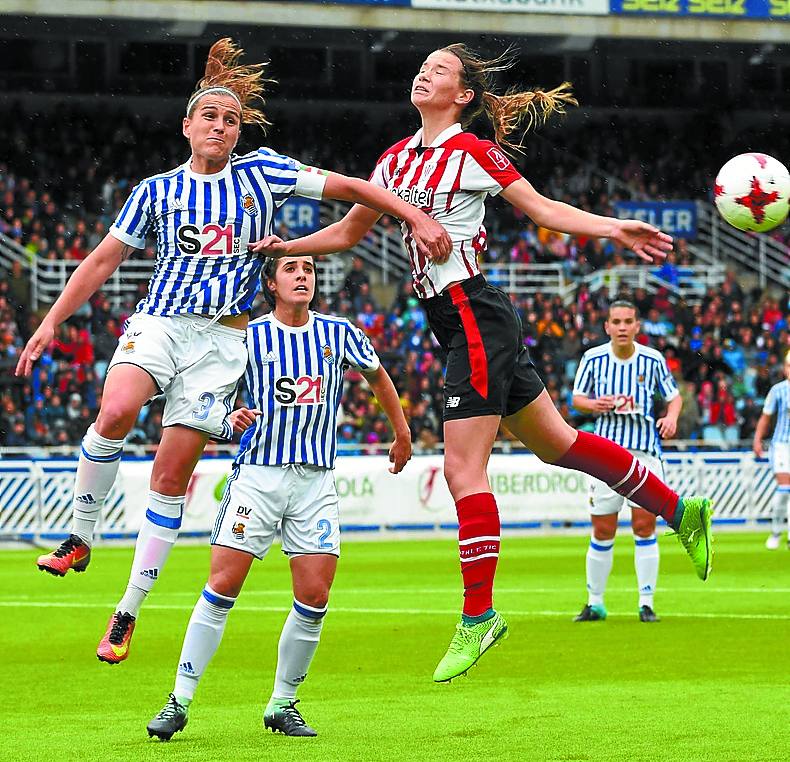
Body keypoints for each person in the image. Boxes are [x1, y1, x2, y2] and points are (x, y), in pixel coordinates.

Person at [252, 43, 713, 683]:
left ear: (463, 95)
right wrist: (285, 247)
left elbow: (542, 209)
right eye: (424, 66)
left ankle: (479, 615)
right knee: (560, 444)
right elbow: (350, 233)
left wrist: (614, 228)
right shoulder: (392, 160)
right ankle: (680, 511)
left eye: (439, 70)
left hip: (474, 314)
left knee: (463, 467)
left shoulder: (471, 151)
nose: (424, 73)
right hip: (457, 322)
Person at [14, 38, 448, 664]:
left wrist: (414, 216)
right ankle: (81, 535)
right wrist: (52, 320)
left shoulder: (262, 174)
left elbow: (352, 186)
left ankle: (127, 611)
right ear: (187, 126)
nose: (220, 126)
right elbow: (104, 260)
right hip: (161, 321)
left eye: (231, 119)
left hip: (224, 343)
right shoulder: (155, 191)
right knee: (116, 411)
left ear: (240, 132)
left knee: (170, 477)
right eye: (210, 116)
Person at [146, 254, 412, 740]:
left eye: (308, 268)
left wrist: (402, 432)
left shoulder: (340, 333)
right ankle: (178, 700)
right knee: (222, 586)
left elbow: (377, 376)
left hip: (315, 481)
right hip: (257, 478)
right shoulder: (247, 337)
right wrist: (228, 418)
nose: (302, 275)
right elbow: (209, 394)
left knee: (315, 596)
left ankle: (282, 703)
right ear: (270, 283)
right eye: (291, 269)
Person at [571, 300, 682, 623]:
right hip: (605, 455)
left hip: (644, 453)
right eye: (616, 322)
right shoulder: (593, 358)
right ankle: (595, 603)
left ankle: (646, 603)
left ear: (637, 326)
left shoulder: (652, 359)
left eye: (628, 321)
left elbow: (674, 397)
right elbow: (577, 398)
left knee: (644, 526)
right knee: (603, 528)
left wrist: (671, 418)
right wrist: (594, 404)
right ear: (607, 326)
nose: (622, 327)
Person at [753, 350, 790, 550]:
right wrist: (757, 439)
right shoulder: (778, 390)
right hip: (782, 444)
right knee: (784, 489)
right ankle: (776, 531)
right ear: (784, 368)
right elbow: (766, 417)